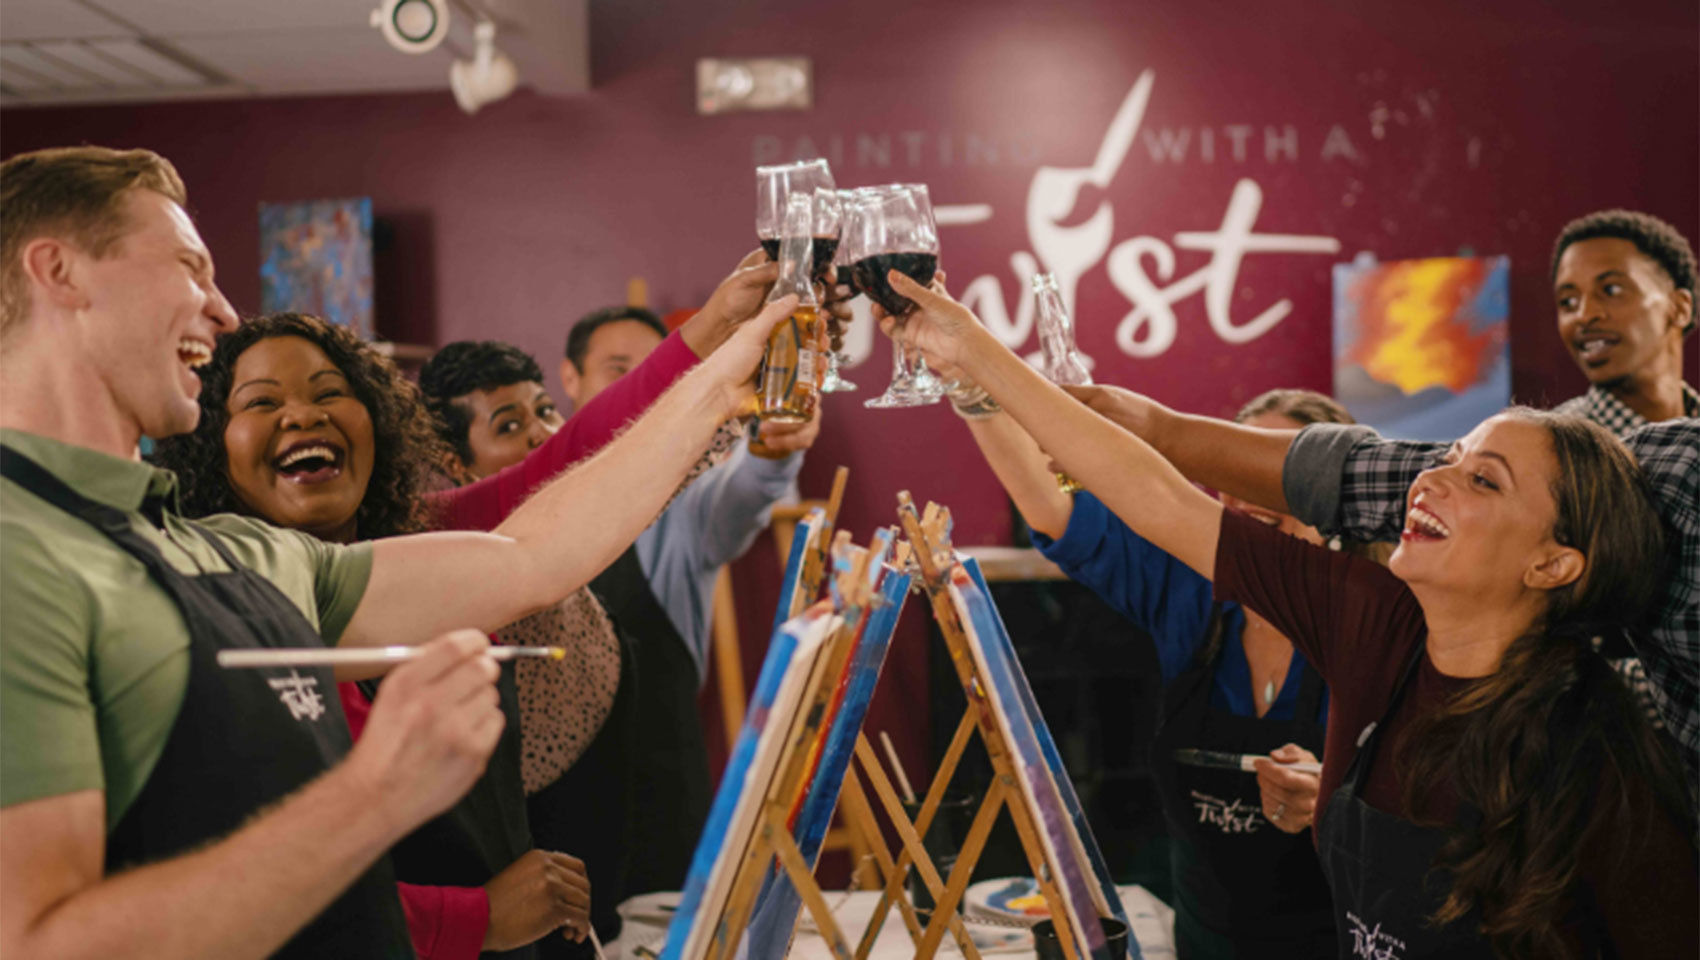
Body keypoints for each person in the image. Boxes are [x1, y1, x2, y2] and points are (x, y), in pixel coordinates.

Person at [0, 145, 790, 959]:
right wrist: (375, 796)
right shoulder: (21, 562)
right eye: (188, 267)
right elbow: (36, 940)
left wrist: (722, 381)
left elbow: (529, 555)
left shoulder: (231, 551)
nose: (223, 310)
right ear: (59, 271)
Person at [885, 269, 1697, 958]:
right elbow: (1158, 496)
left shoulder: (1605, 759)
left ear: (1553, 562)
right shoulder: (1373, 623)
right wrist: (974, 357)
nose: (1430, 482)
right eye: (1446, 459)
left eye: (1483, 481)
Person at [151, 312, 590, 960]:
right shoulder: (221, 626)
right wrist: (478, 917)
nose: (303, 416)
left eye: (329, 393)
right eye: (262, 402)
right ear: (210, 445)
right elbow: (256, 888)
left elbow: (555, 511)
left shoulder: (437, 581)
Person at [947, 382, 1360, 958]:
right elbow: (1058, 506)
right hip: (1203, 946)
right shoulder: (1192, 593)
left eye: (1277, 475)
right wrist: (975, 392)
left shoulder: (1378, 623)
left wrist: (1340, 802)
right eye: (1235, 473)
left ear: (1336, 499)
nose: (1250, 496)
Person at [420, 316, 818, 907]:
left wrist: (768, 448)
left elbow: (745, 492)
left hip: (661, 846)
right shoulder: (434, 570)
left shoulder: (668, 511)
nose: (539, 435)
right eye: (509, 425)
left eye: (543, 414)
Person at [1550, 209, 1697, 430]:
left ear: (1679, 308)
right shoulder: (1551, 447)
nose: (1584, 315)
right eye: (1568, 301)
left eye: (1611, 289)